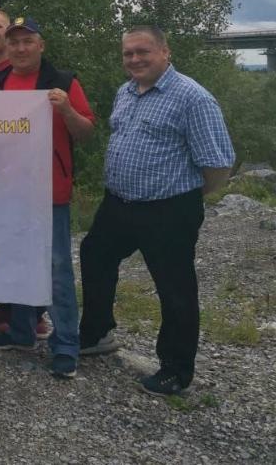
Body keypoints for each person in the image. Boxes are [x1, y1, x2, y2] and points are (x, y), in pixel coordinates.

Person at [79, 25, 234, 396]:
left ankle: (176, 370)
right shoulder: (126, 91)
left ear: (165, 52)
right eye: (128, 53)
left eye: (143, 51)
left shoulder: (193, 98)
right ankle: (97, 332)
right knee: (94, 254)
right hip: (119, 203)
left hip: (169, 210)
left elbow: (217, 165)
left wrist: (185, 198)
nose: (134, 59)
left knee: (174, 287)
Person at [0, 18, 95, 379]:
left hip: (49, 192)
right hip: (6, 191)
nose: (20, 48)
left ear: (41, 45)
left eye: (27, 41)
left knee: (56, 269)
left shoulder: (63, 82)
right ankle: (21, 332)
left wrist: (66, 110)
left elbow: (86, 132)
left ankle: (66, 344)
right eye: (14, 42)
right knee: (16, 262)